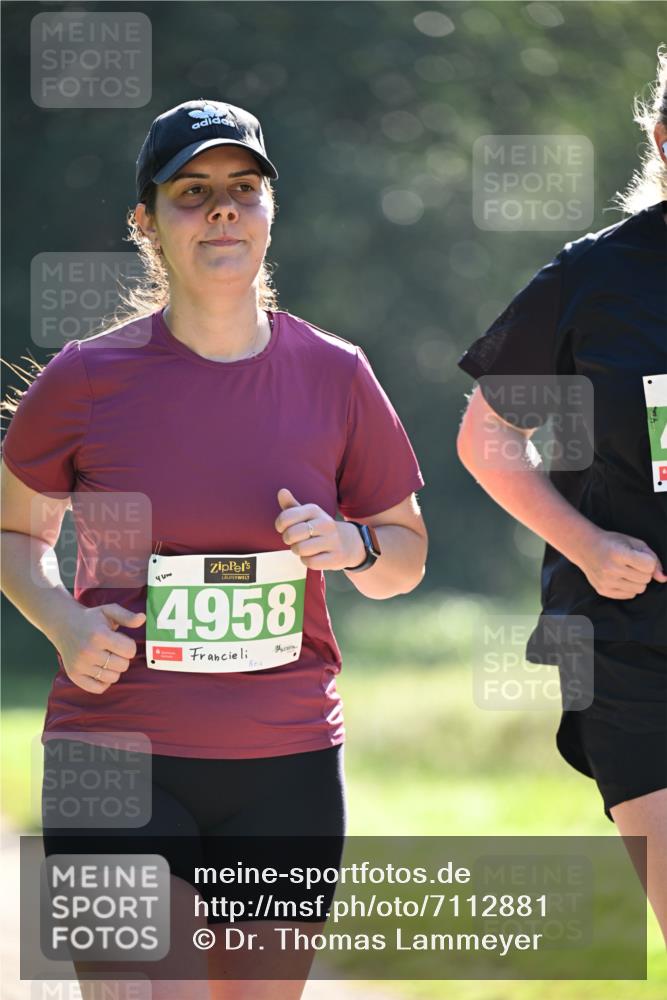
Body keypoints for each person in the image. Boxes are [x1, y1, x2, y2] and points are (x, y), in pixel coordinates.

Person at [0, 98, 428, 999]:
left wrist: (350, 545)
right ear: (146, 221)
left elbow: (403, 558)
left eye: (244, 189)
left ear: (272, 211)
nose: (222, 210)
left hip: (285, 763)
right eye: (192, 192)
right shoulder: (85, 377)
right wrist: (65, 623)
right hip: (111, 753)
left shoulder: (336, 375)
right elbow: (15, 534)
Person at [456, 50, 667, 942]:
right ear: (663, 139)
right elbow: (487, 438)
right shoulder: (596, 279)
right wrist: (586, 545)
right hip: (634, 649)